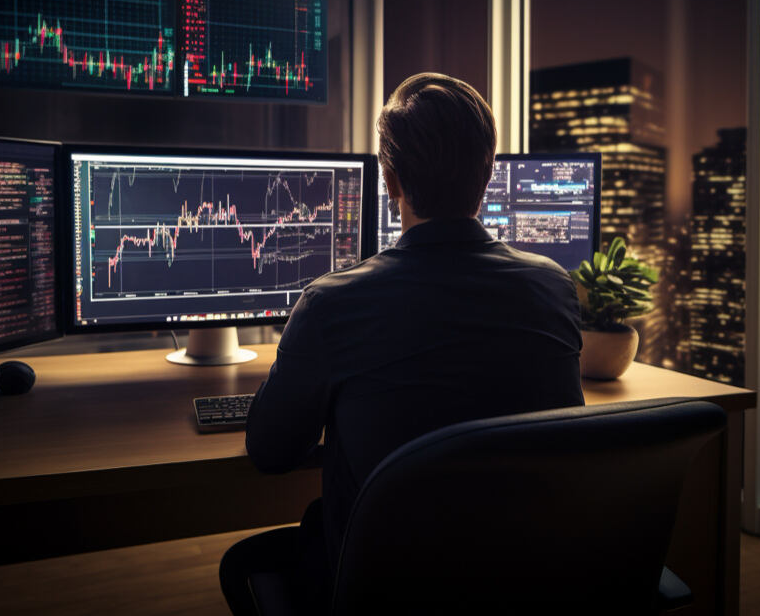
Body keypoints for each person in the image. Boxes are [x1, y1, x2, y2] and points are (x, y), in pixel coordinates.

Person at [219, 72, 584, 615]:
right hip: (518, 582)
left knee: (243, 562)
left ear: (389, 181)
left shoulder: (332, 303)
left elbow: (271, 452)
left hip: (384, 589)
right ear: (487, 173)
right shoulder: (553, 286)